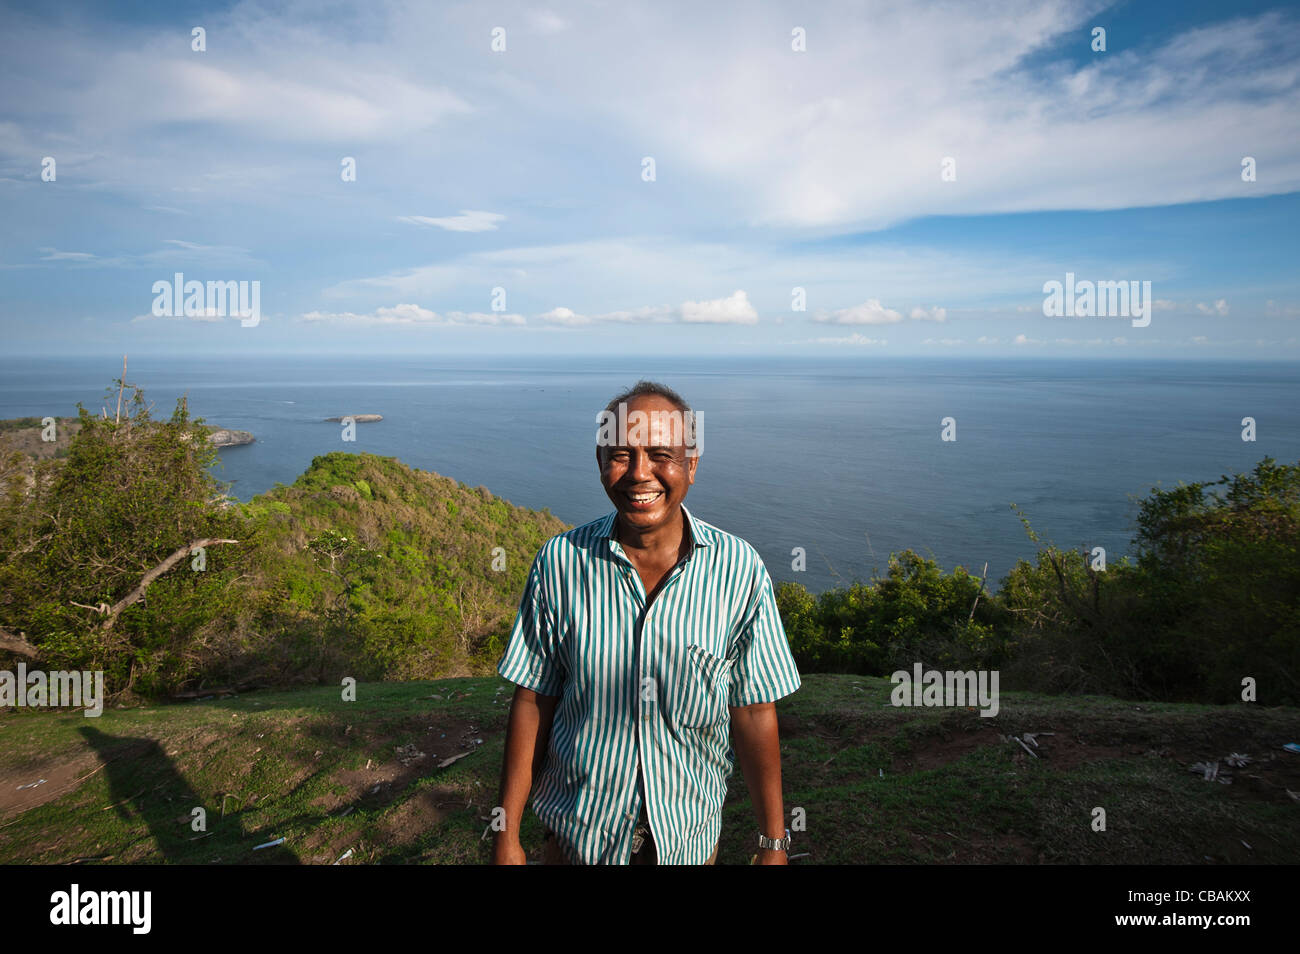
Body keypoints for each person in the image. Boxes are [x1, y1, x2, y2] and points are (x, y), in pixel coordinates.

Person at [491, 380, 801, 865]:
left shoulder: (738, 570)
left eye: (661, 454)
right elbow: (533, 698)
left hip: (687, 843)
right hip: (577, 840)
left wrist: (773, 843)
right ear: (599, 464)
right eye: (620, 455)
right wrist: (506, 835)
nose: (639, 473)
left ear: (691, 466)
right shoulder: (560, 563)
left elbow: (754, 710)